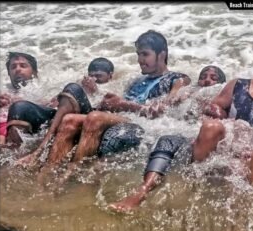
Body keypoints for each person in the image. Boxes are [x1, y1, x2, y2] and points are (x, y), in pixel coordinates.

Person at [108, 39, 253, 212]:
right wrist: (218, 115)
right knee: (212, 127)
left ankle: (243, 212)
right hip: (229, 151)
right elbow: (207, 112)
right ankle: (182, 188)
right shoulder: (237, 87)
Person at [17, 30, 191, 170]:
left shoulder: (178, 79)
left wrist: (125, 105)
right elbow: (118, 103)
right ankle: (47, 174)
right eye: (138, 54)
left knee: (95, 117)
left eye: (145, 54)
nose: (140, 60)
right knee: (70, 119)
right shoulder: (135, 80)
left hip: (143, 125)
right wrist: (100, 97)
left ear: (162, 54)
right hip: (121, 117)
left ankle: (70, 175)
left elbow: (165, 109)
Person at [0, 52, 38, 145]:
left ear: (34, 72)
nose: (18, 69)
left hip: (20, 125)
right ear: (8, 73)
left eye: (23, 66)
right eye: (13, 67)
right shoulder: (2, 89)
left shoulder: (43, 88)